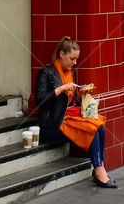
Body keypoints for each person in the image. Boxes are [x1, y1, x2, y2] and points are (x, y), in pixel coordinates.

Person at [35, 36, 116, 188]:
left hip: (67, 119)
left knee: (100, 126)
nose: (75, 63)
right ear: (62, 54)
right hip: (51, 125)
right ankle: (99, 171)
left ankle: (100, 167)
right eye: (72, 58)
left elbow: (70, 102)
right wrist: (60, 89)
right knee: (91, 128)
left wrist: (80, 95)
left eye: (76, 59)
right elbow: (39, 101)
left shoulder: (69, 72)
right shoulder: (46, 73)